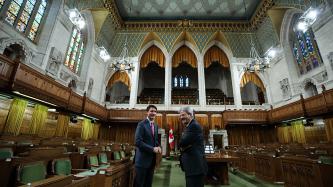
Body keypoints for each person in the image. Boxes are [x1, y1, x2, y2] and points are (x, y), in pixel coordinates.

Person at [178, 106, 207, 187]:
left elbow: (182, 142)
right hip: (192, 165)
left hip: (195, 165)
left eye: (183, 115)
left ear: (190, 115)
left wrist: (182, 142)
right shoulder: (189, 126)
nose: (181, 117)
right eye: (180, 115)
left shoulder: (193, 125)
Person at [134, 104, 161, 187]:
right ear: (147, 112)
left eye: (155, 111)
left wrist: (158, 146)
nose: (153, 113)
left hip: (151, 161)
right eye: (151, 111)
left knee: (148, 184)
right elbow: (138, 142)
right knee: (139, 184)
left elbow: (155, 140)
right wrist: (152, 149)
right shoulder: (141, 124)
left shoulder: (155, 126)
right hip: (142, 161)